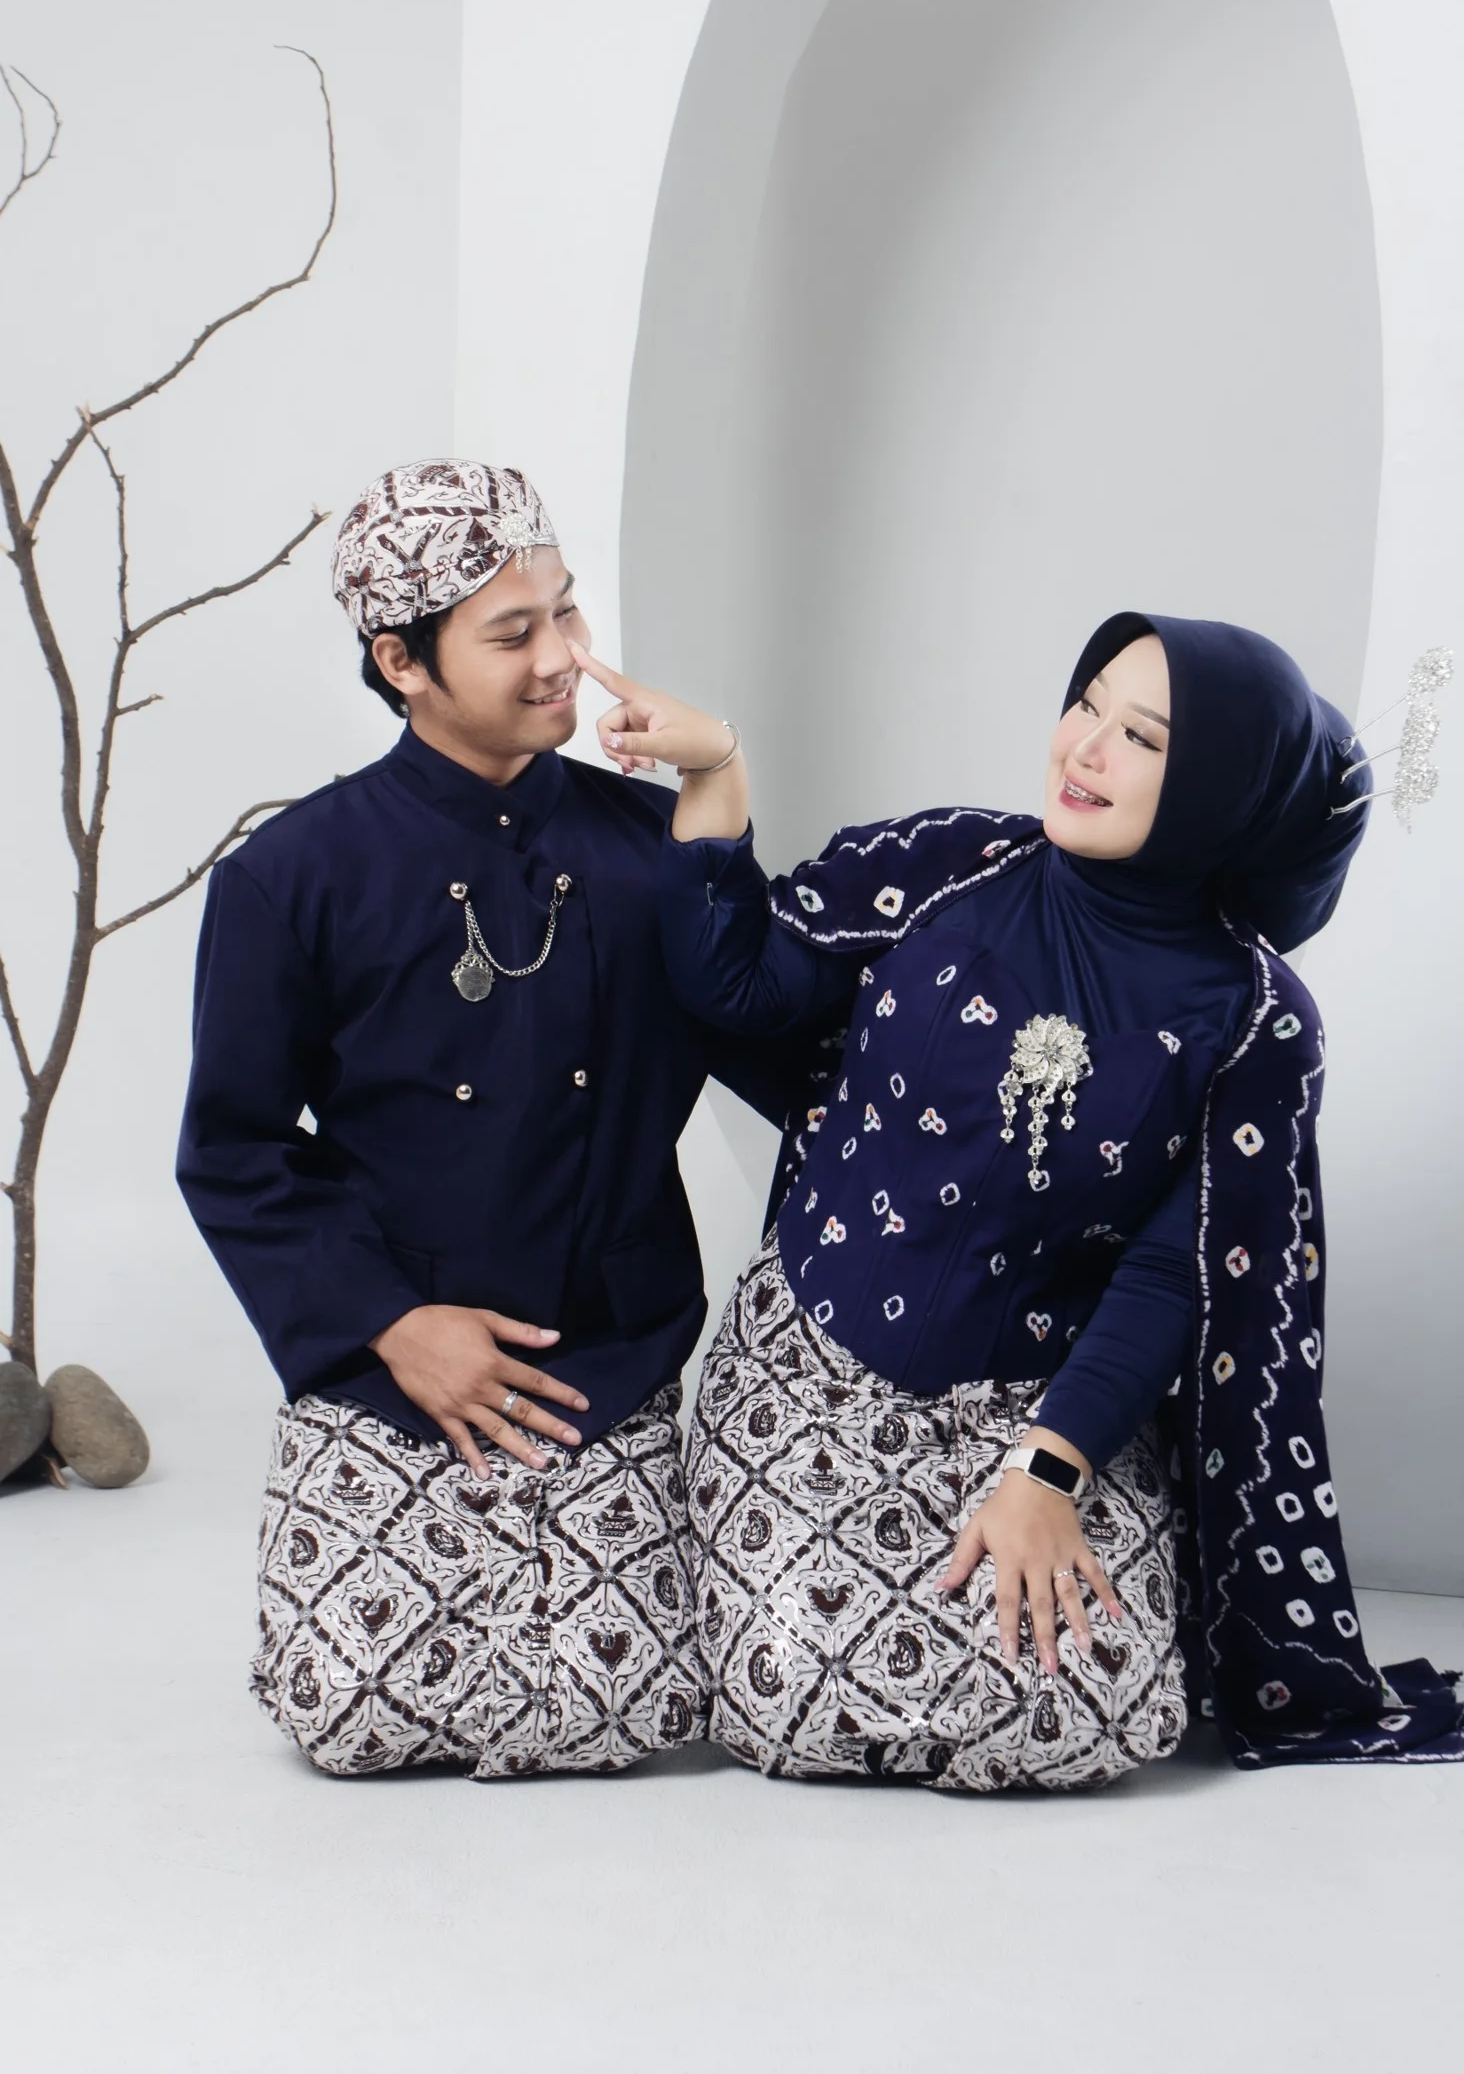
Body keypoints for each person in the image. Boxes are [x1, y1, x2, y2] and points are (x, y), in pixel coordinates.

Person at [571, 615, 1464, 1786]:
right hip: (816, 1369)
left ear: (1221, 793)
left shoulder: (1255, 1021)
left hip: (1049, 1408)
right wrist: (715, 769)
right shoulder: (950, 865)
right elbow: (736, 986)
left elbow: (1174, 1272)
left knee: (1099, 1709)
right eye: (1087, 703)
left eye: (1141, 736)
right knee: (794, 1695)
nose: (1083, 747)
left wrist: (1048, 1472)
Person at [176, 462, 790, 1779]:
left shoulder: (658, 845)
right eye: (514, 632)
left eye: (565, 611)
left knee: (630, 1713)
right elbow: (233, 1149)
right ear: (401, 662)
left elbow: (798, 1049)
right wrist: (394, 1325)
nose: (563, 657)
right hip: (387, 1366)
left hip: (604, 1359)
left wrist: (722, 781)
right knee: (350, 1715)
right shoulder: (289, 877)